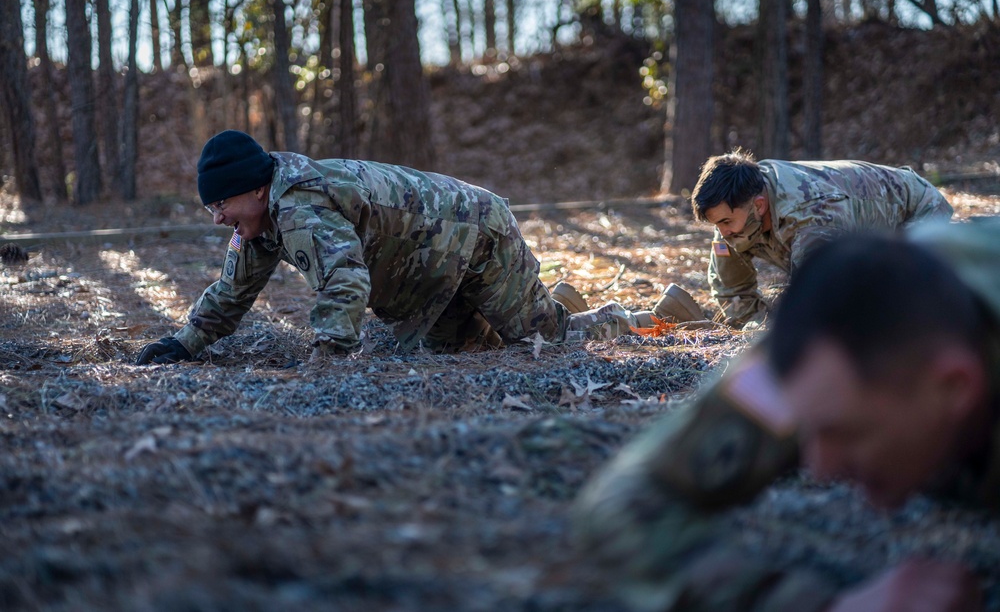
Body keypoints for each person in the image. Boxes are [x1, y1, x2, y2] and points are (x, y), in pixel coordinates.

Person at [573, 219, 1000, 612]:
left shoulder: (897, 353)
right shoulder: (833, 339)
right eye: (805, 431)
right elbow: (629, 500)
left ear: (955, 388)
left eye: (844, 433)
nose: (817, 467)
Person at [136, 130, 635, 364]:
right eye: (211, 208)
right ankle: (539, 301)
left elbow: (346, 278)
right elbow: (232, 291)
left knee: (543, 342)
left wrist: (328, 356)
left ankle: (625, 317)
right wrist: (184, 344)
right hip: (433, 272)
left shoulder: (299, 206)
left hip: (478, 234)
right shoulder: (258, 221)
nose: (219, 217)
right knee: (457, 350)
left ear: (257, 189)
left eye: (223, 202)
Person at [690, 149, 953, 327]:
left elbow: (819, 301)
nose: (722, 233)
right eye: (716, 224)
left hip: (915, 210)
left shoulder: (812, 216)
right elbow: (732, 291)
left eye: (725, 222)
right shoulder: (736, 212)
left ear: (759, 206)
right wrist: (760, 326)